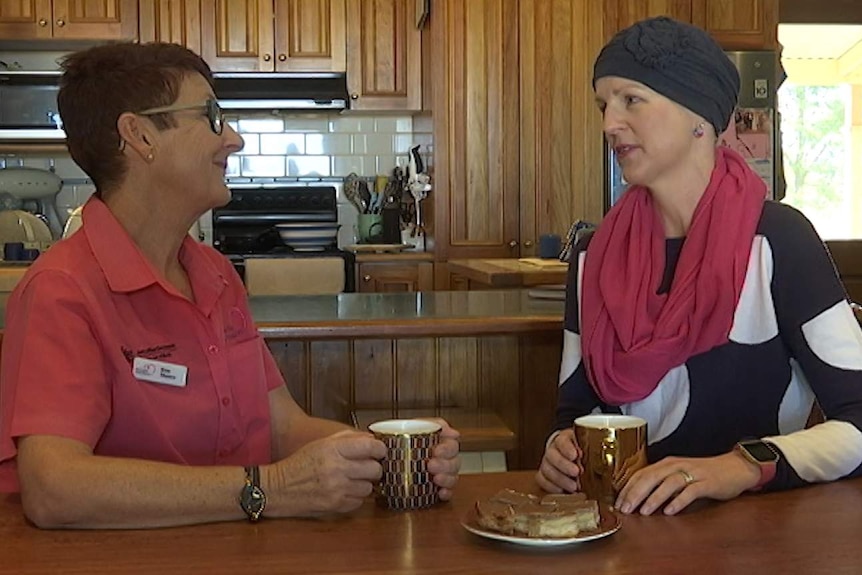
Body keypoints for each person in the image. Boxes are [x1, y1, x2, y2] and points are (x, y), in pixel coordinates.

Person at [0, 42, 461, 529]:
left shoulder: (216, 274)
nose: (234, 139)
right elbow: (54, 488)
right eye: (211, 116)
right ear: (139, 135)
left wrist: (392, 453)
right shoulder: (62, 290)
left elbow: (281, 426)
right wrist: (271, 489)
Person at [536, 16, 862, 516]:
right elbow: (575, 413)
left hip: (758, 545)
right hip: (625, 542)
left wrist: (741, 466)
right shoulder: (591, 258)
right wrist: (560, 449)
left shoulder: (779, 241)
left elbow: (858, 419)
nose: (608, 123)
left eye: (631, 99)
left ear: (697, 115)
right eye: (604, 105)